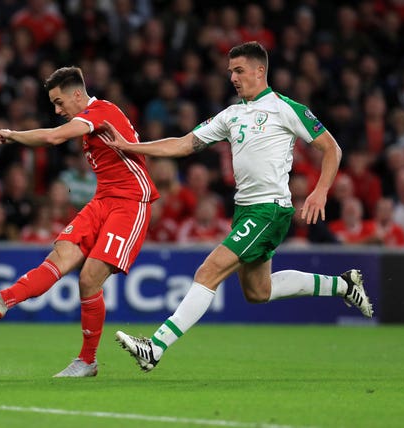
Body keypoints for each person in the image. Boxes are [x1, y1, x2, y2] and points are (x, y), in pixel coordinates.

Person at [101, 42, 373, 372]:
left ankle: (155, 347)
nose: (232, 76)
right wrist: (129, 146)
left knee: (208, 271)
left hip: (269, 210)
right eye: (230, 71)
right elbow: (185, 144)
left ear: (260, 71)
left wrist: (320, 191)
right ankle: (344, 285)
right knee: (259, 291)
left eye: (239, 70)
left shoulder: (285, 108)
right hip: (245, 211)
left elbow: (331, 148)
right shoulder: (231, 114)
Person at [0, 66, 158, 377]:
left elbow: (53, 137)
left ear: (78, 95)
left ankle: (87, 360)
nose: (57, 110)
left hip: (130, 202)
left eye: (59, 102)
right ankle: (3, 299)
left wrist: (14, 134)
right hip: (103, 200)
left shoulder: (100, 111)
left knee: (88, 279)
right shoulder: (89, 117)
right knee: (61, 254)